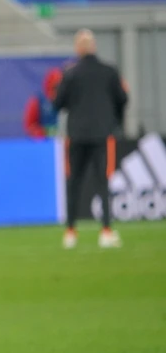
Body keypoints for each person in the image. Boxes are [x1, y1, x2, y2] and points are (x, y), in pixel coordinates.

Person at [53, 29, 127, 249]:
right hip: (102, 134)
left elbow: (58, 103)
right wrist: (114, 121)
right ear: (94, 47)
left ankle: (70, 232)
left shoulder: (70, 74)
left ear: (78, 49)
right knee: (102, 182)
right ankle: (106, 231)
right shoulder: (109, 72)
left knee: (73, 182)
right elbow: (123, 99)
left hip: (76, 134)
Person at [23, 67, 62, 139]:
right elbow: (30, 125)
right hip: (44, 142)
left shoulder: (69, 101)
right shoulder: (37, 102)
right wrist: (39, 133)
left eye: (60, 87)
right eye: (55, 87)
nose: (57, 90)